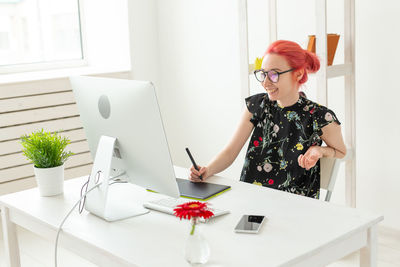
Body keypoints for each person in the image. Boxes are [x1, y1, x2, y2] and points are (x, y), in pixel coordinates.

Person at [189, 40, 346, 199]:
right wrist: (207, 170)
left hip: (296, 207)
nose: (265, 82)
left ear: (298, 74)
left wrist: (319, 150)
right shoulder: (257, 106)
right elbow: (230, 152)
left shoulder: (319, 116)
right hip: (252, 199)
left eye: (274, 74)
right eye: (263, 74)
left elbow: (341, 152)